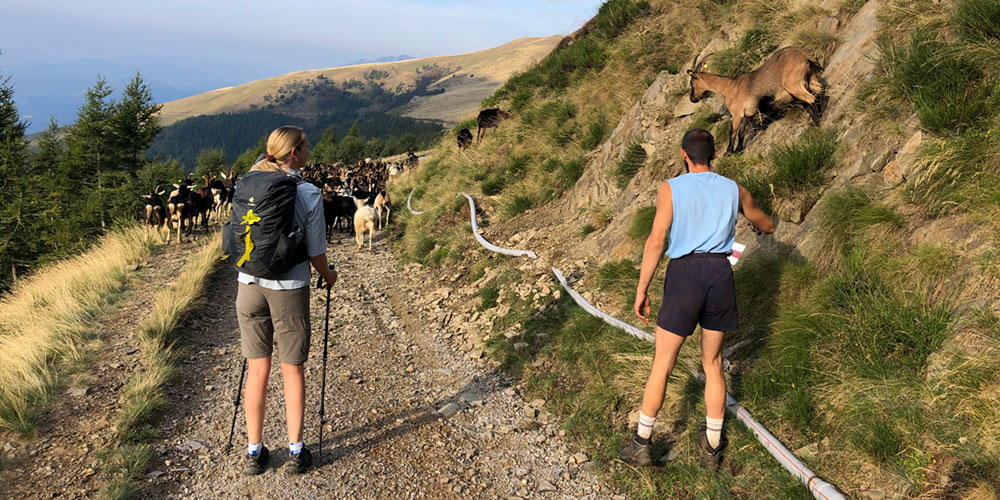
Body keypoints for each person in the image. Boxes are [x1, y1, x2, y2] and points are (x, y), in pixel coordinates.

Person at [619, 128, 775, 469]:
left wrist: (642, 288)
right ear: (714, 155)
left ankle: (641, 443)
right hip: (719, 274)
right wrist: (761, 226)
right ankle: (712, 448)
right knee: (713, 363)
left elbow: (656, 240)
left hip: (684, 275)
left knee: (663, 362)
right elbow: (766, 223)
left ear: (683, 155)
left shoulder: (671, 188)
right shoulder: (734, 189)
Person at [236, 126, 338, 475]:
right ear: (294, 153)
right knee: (291, 368)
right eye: (306, 146)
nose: (310, 151)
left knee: (257, 369)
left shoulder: (248, 182)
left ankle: (254, 452)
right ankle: (296, 451)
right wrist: (328, 276)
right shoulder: (307, 192)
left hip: (248, 284)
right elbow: (316, 251)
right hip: (289, 287)